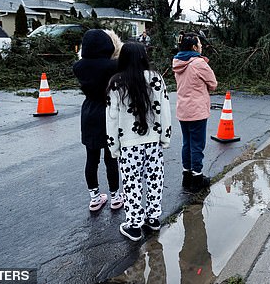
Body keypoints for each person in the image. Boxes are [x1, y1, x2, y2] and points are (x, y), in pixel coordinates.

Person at [106, 42, 171, 241]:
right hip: (153, 141)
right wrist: (165, 137)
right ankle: (153, 218)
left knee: (131, 182)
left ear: (122, 58)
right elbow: (164, 110)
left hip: (128, 143)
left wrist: (113, 146)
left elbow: (112, 117)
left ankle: (134, 225)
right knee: (154, 178)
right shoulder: (156, 79)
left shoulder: (116, 83)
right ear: (144, 57)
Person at [73, 29, 124, 212]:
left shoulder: (78, 67)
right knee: (111, 158)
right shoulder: (113, 66)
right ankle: (116, 196)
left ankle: (95, 197)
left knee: (91, 158)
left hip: (88, 112)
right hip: (108, 110)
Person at [172, 32, 217, 193]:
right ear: (193, 47)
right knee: (197, 144)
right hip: (197, 110)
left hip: (183, 109)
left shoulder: (177, 62)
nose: (202, 46)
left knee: (187, 143)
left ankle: (187, 175)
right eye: (199, 44)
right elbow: (213, 84)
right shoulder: (199, 63)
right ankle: (197, 177)